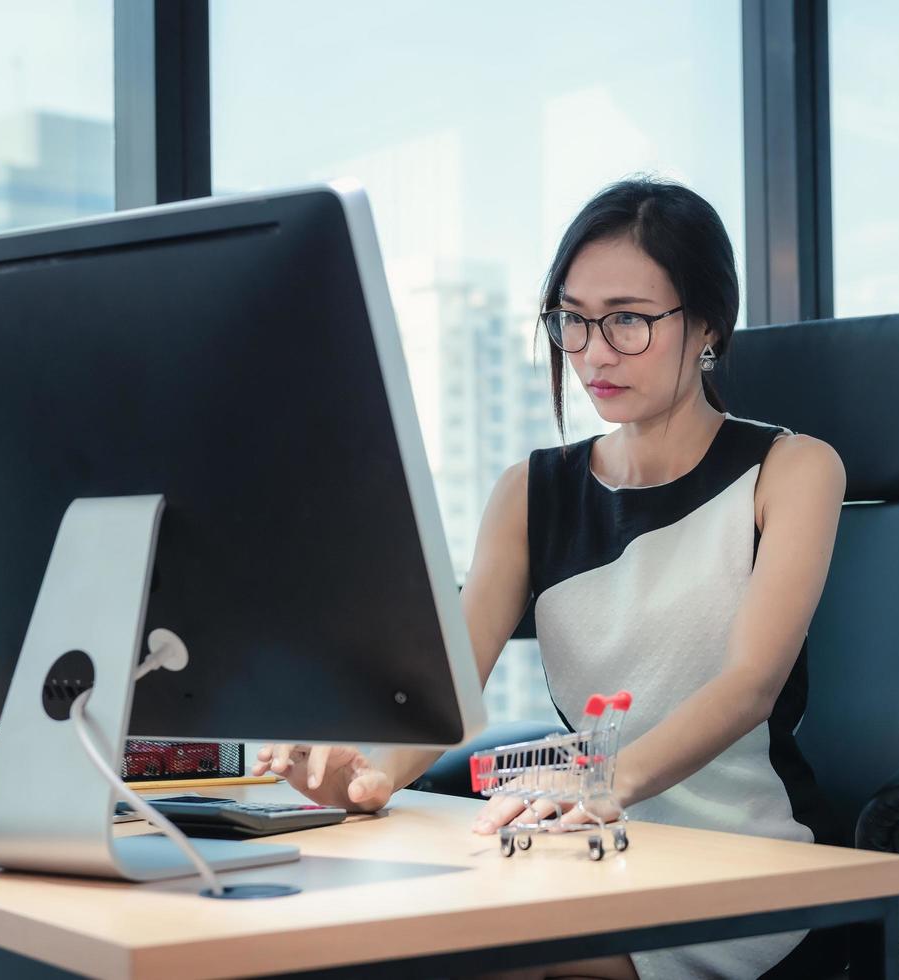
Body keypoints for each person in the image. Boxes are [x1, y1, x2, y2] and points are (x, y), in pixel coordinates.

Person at [253, 176, 845, 980]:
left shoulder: (793, 469)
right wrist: (371, 777)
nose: (593, 352)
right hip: (583, 848)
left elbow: (749, 684)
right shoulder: (527, 491)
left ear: (706, 323)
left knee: (473, 959)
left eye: (628, 320)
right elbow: (451, 681)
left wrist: (609, 787)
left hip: (737, 860)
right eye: (574, 319)